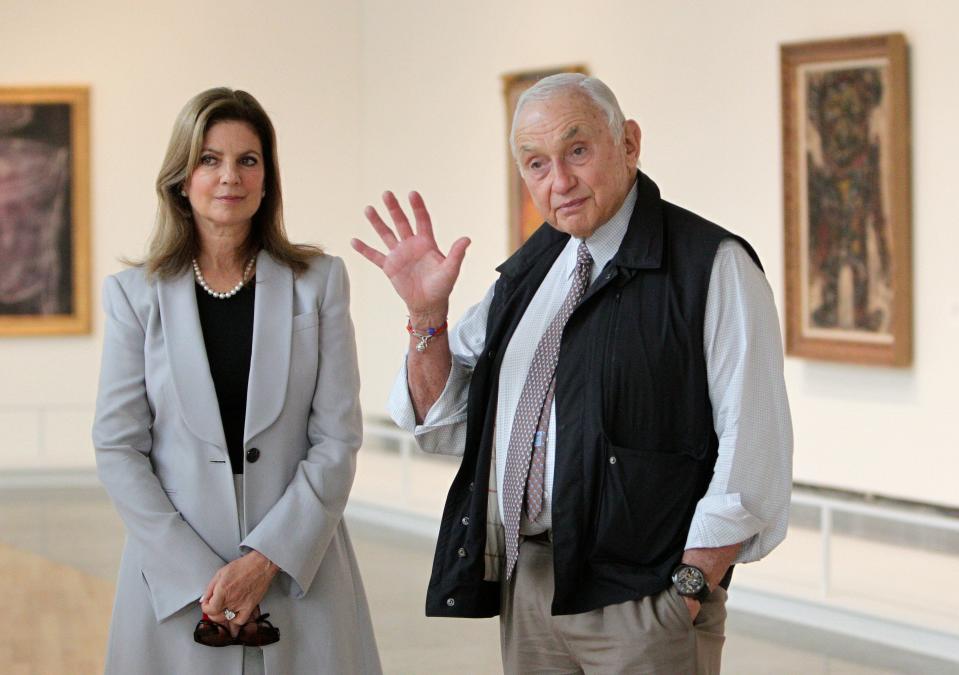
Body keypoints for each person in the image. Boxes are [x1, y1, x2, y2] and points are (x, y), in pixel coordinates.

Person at [352, 73, 792, 674]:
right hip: (528, 583)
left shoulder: (713, 266)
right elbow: (446, 418)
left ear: (629, 144)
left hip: (646, 597)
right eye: (537, 164)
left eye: (577, 151)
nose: (559, 182)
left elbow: (754, 446)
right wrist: (426, 314)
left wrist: (688, 590)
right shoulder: (535, 268)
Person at [93, 88, 381, 675]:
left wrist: (265, 560)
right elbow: (119, 446)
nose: (230, 176)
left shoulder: (319, 283)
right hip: (175, 591)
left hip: (302, 574)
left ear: (268, 178)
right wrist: (204, 574)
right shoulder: (133, 296)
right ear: (181, 177)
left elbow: (337, 440)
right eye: (210, 159)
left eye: (248, 160)